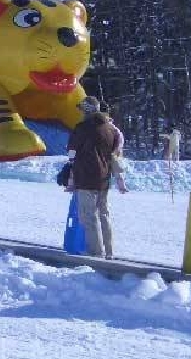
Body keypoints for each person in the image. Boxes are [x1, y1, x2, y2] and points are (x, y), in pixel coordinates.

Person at [67, 95, 120, 259]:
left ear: (86, 111)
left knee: (88, 216)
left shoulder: (82, 128)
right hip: (104, 178)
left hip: (85, 176)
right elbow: (115, 152)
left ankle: (95, 252)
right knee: (104, 214)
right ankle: (109, 251)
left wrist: (71, 167)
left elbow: (71, 152)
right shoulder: (111, 129)